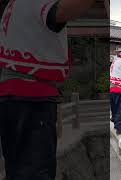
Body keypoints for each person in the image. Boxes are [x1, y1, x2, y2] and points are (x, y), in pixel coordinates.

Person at [0, 0, 95, 179]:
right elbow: (62, 11)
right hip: (29, 96)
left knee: (18, 169)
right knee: (34, 172)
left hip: (15, 94)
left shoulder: (15, 5)